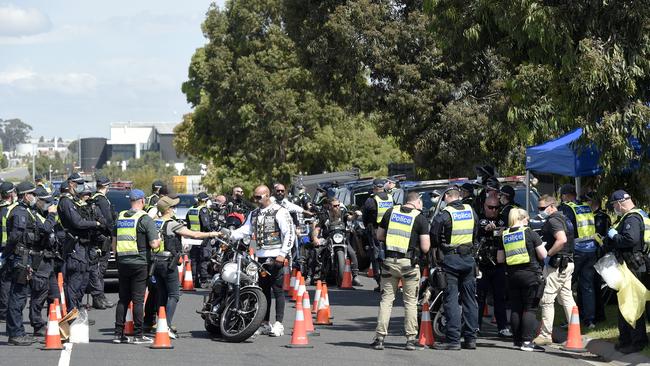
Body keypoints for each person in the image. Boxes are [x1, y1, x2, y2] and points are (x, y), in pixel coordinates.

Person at [230, 185, 295, 337]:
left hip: (276, 256)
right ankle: (264, 322)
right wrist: (230, 234)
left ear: (267, 195)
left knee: (277, 290)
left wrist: (283, 254)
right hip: (260, 258)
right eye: (255, 197)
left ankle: (279, 324)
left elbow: (289, 233)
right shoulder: (254, 213)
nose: (256, 200)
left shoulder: (280, 211)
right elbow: (245, 230)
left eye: (259, 197)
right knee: (263, 291)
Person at [153, 196, 220, 339]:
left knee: (162, 295)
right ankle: (166, 326)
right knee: (174, 295)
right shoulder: (171, 224)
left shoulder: (155, 222)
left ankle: (160, 324)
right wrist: (212, 234)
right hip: (168, 262)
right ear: (168, 209)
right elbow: (194, 234)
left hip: (155, 262)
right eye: (172, 207)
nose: (174, 209)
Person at [371, 192, 430, 351]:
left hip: (389, 262)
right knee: (410, 302)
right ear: (417, 201)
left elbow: (379, 235)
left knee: (386, 300)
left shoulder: (391, 212)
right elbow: (425, 247)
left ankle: (379, 338)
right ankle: (410, 340)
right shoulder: (420, 218)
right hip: (409, 265)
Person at [5, 182, 57, 345]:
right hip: (21, 259)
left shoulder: (28, 211)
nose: (35, 197)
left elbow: (41, 230)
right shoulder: (20, 213)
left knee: (20, 296)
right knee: (18, 297)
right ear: (26, 195)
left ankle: (17, 331)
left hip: (26, 258)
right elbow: (16, 237)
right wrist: (51, 215)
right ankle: (16, 333)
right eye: (33, 194)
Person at [430, 186, 480, 350]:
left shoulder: (444, 214)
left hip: (451, 260)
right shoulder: (471, 211)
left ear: (447, 198)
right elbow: (476, 232)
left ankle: (453, 340)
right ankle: (471, 339)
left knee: (450, 300)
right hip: (469, 260)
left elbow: (434, 237)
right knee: (470, 300)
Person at [113, 189, 160, 344]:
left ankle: (118, 334)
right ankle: (138, 335)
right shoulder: (145, 219)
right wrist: (158, 240)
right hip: (140, 263)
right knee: (138, 300)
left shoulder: (120, 217)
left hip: (122, 262)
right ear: (142, 201)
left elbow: (114, 242)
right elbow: (154, 244)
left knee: (123, 299)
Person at [606, 190, 650, 354]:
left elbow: (630, 240)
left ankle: (635, 341)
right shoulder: (641, 214)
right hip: (638, 263)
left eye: (614, 205)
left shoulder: (631, 218)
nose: (614, 208)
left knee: (631, 303)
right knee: (632, 302)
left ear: (619, 203)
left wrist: (614, 236)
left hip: (632, 264)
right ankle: (627, 339)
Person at [497, 208, 546, 352]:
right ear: (522, 218)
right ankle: (527, 342)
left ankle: (517, 341)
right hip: (530, 275)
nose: (528, 221)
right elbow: (543, 255)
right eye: (527, 218)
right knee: (530, 308)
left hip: (512, 277)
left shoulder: (504, 235)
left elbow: (500, 259)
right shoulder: (530, 233)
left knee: (516, 309)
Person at [534, 195, 576, 346]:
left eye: (542, 208)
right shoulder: (565, 218)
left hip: (557, 264)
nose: (540, 211)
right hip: (568, 263)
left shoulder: (553, 220)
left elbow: (562, 239)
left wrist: (548, 254)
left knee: (547, 298)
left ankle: (545, 334)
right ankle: (575, 330)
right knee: (566, 297)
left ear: (551, 206)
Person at [58, 174, 104, 313]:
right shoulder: (65, 201)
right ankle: (73, 313)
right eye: (78, 183)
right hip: (74, 246)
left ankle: (77, 311)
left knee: (83, 279)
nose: (80, 186)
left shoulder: (74, 201)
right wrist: (95, 223)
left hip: (83, 245)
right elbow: (77, 222)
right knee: (75, 281)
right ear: (71, 184)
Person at [558, 184, 597, 329]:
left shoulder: (567, 208)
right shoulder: (585, 207)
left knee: (566, 287)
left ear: (565, 195)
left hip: (576, 251)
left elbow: (565, 228)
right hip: (591, 250)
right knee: (587, 286)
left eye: (562, 196)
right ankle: (590, 320)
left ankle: (571, 320)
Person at [476, 196, 510, 337]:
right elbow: (478, 232)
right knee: (480, 297)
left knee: (499, 297)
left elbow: (508, 230)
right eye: (490, 207)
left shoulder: (503, 219)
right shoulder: (479, 218)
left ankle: (502, 327)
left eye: (496, 207)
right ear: (485, 206)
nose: (493, 210)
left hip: (498, 264)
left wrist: (500, 230)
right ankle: (476, 326)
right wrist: (486, 230)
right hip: (483, 263)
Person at [30, 186, 61, 336]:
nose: (49, 205)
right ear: (38, 201)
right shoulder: (34, 215)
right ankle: (37, 325)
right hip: (39, 259)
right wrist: (51, 215)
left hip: (49, 260)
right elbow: (45, 230)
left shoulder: (42, 214)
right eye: (46, 202)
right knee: (39, 295)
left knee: (54, 295)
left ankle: (53, 321)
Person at [311, 198, 362, 287]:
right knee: (317, 251)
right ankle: (312, 274)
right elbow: (317, 228)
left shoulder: (343, 213)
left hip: (342, 238)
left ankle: (355, 276)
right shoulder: (324, 215)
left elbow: (350, 218)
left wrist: (356, 215)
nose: (337, 207)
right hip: (328, 238)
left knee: (352, 253)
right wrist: (315, 238)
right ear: (330, 206)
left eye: (338, 205)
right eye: (335, 206)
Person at [362, 179, 394, 291]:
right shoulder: (390, 197)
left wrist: (367, 227)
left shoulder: (371, 200)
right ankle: (391, 281)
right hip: (389, 231)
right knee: (389, 255)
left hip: (375, 231)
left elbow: (365, 217)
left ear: (374, 187)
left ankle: (380, 281)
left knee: (376, 255)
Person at [584, 191, 611, 322]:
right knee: (591, 284)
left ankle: (598, 315)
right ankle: (593, 313)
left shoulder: (601, 216)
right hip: (590, 251)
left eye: (587, 201)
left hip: (598, 252)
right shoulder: (588, 215)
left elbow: (600, 235)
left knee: (595, 285)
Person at [90, 177, 115, 309]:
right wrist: (113, 234)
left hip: (96, 237)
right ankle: (99, 298)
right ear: (106, 186)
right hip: (103, 238)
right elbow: (108, 221)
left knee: (98, 269)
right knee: (100, 269)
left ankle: (100, 297)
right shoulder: (102, 200)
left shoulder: (94, 198)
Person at [186, 192, 214, 288]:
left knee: (194, 259)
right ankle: (204, 280)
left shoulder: (191, 209)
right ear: (206, 200)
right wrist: (212, 231)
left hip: (193, 237)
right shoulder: (203, 210)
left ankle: (194, 279)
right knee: (204, 259)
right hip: (203, 237)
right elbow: (206, 225)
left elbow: (188, 224)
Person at [0, 181, 17, 321]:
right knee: (6, 282)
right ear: (11, 194)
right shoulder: (10, 211)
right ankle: (4, 312)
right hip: (5, 249)